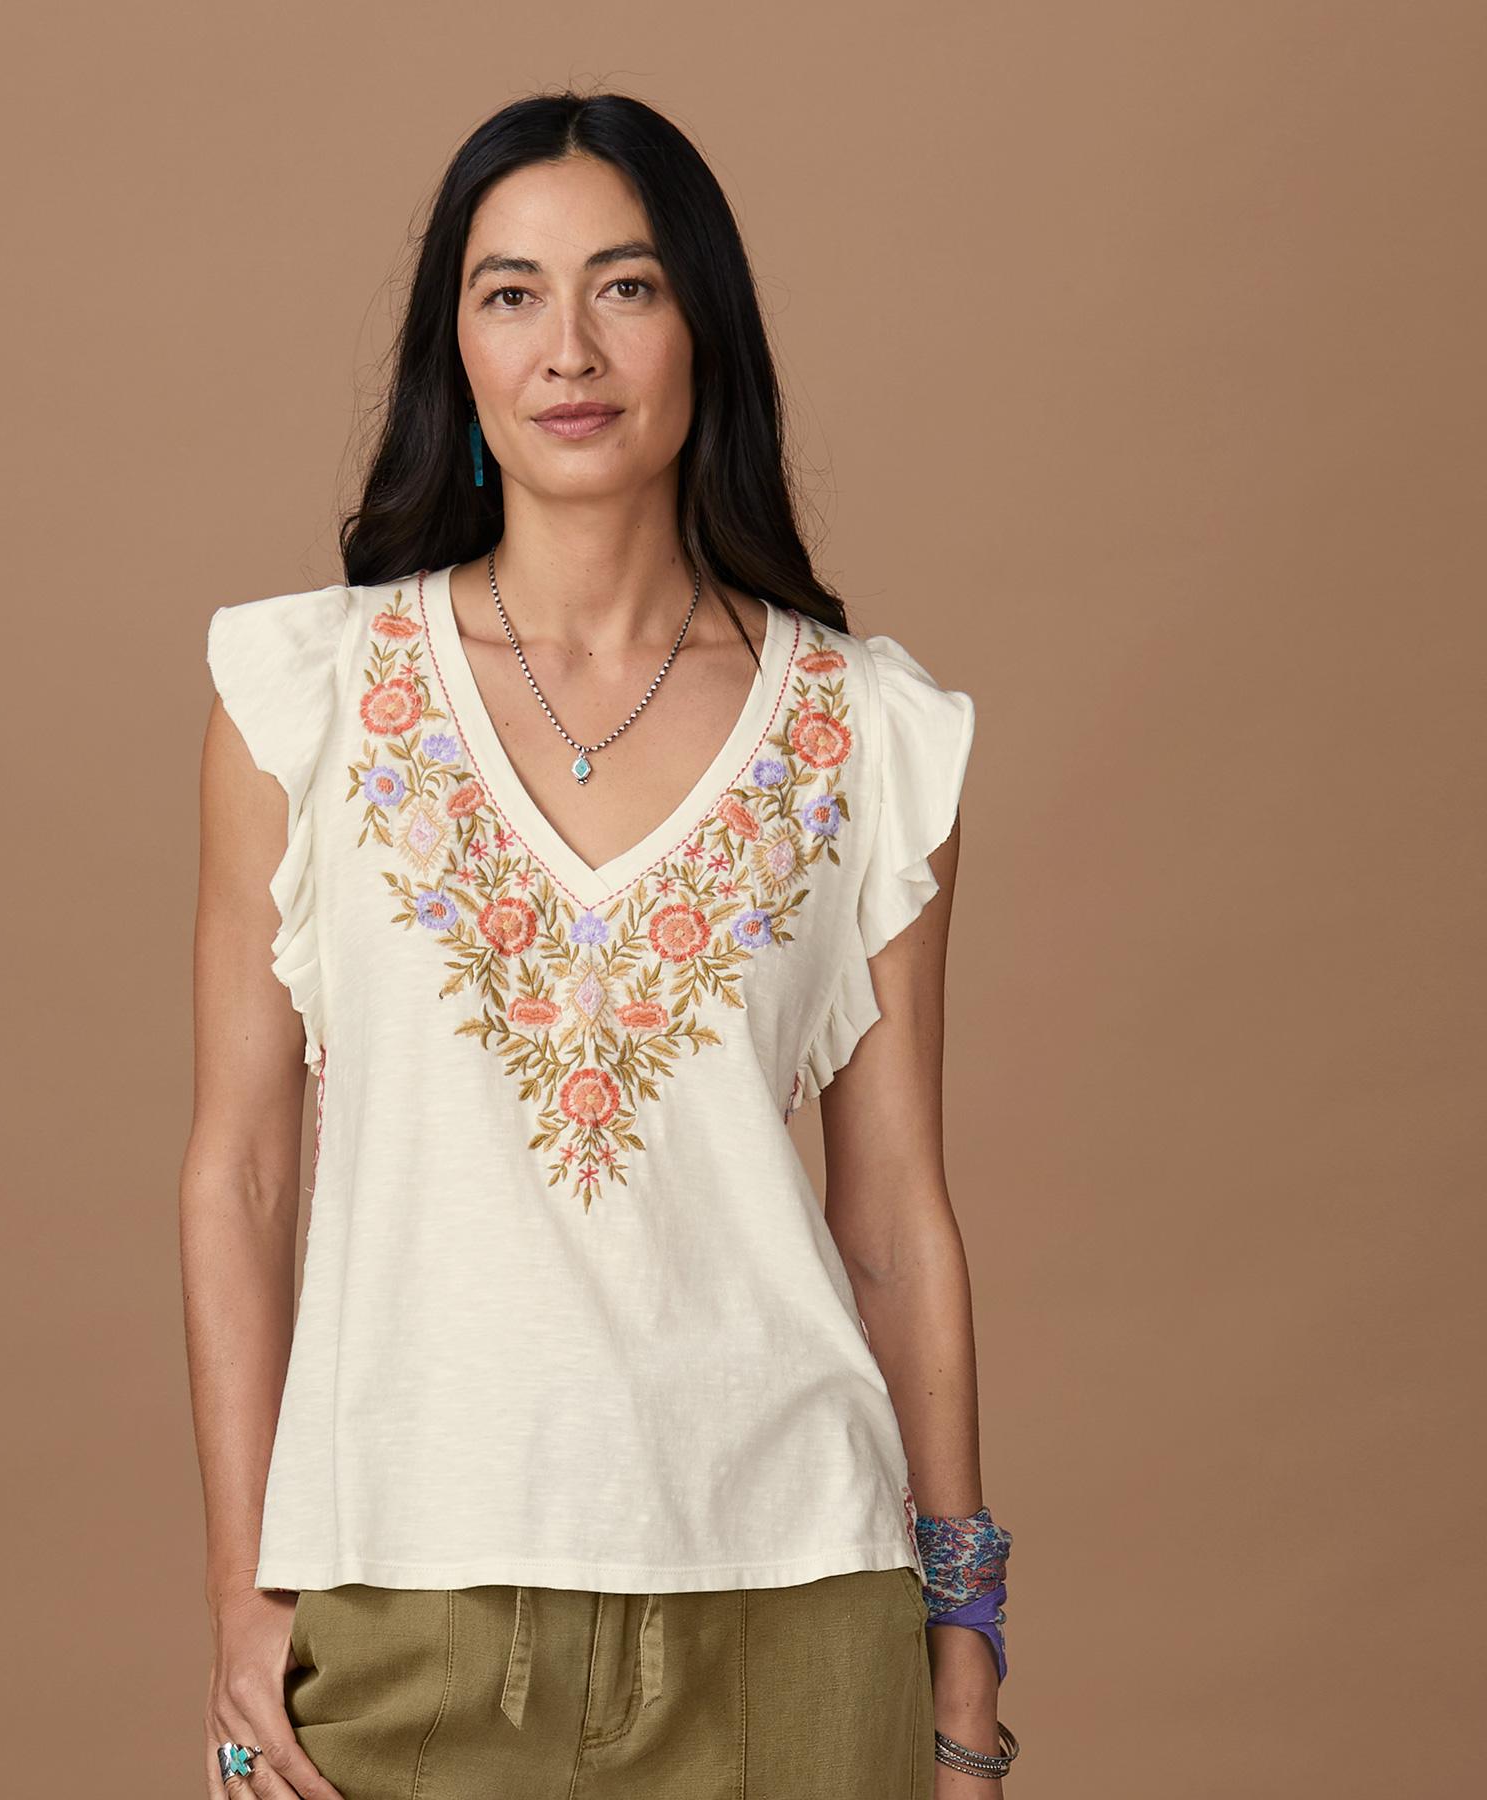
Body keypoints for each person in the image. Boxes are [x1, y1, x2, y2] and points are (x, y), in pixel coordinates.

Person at [184, 90, 1018, 1800]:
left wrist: (967, 1637)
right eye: (510, 294)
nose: (568, 348)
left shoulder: (863, 733)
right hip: (408, 1602)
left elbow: (894, 1221)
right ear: (456, 351)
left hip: (795, 1610)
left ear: (704, 327)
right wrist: (241, 1595)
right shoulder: (311, 700)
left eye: (625, 287)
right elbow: (243, 1173)